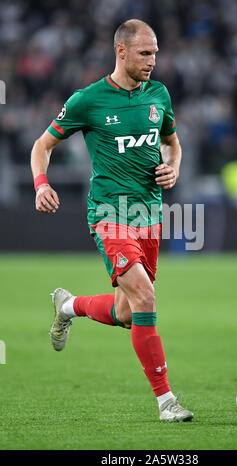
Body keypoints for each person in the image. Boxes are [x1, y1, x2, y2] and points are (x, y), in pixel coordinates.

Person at [30, 19, 194, 423]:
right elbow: (42, 144)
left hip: (150, 216)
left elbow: (173, 143)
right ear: (121, 51)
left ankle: (68, 305)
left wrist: (173, 168)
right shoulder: (89, 100)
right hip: (110, 214)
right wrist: (40, 184)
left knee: (126, 312)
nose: (153, 61)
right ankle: (166, 401)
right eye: (145, 53)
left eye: (155, 53)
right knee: (146, 299)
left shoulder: (159, 95)